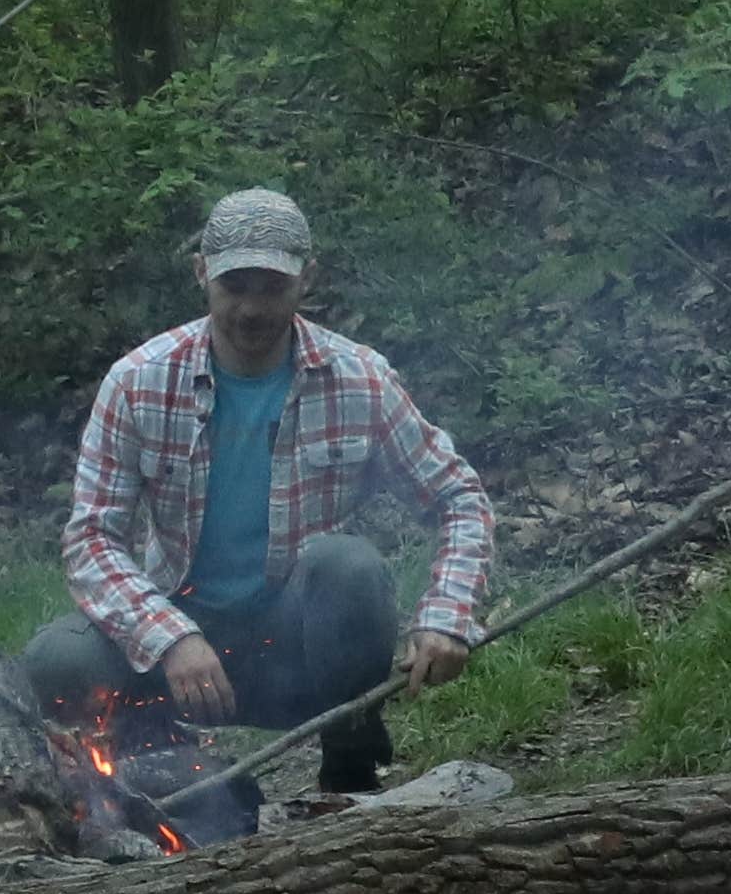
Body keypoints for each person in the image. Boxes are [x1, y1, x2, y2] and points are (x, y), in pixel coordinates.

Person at [28, 186, 497, 830]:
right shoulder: (138, 381)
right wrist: (172, 637)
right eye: (234, 284)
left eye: (271, 286)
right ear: (202, 274)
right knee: (58, 658)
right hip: (182, 644)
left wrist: (447, 615)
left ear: (307, 279)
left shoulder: (359, 377)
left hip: (298, 648)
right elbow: (92, 540)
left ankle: (350, 775)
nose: (251, 307)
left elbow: (459, 497)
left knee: (349, 566)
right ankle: (175, 776)